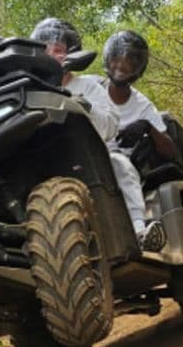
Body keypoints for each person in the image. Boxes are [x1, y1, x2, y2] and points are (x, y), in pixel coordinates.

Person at [30, 18, 165, 251]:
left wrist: (85, 107)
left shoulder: (89, 87)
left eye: (58, 49)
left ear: (71, 54)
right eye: (45, 48)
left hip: (92, 158)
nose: (51, 54)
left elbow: (109, 127)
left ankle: (138, 229)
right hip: (45, 163)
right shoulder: (29, 90)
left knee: (120, 164)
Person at [100, 30, 175, 163]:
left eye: (129, 63)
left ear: (138, 69)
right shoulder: (91, 90)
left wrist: (148, 126)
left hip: (123, 168)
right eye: (116, 59)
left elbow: (168, 152)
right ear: (108, 60)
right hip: (87, 163)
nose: (121, 66)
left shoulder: (144, 106)